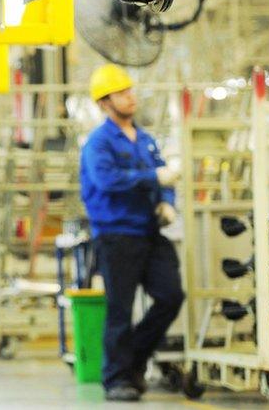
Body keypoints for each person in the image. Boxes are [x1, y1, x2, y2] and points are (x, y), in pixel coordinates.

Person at [79, 64, 185, 402]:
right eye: (122, 92)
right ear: (104, 102)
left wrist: (167, 202)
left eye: (130, 90)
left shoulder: (147, 140)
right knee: (120, 309)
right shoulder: (98, 144)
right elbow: (107, 181)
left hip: (150, 232)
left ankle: (134, 360)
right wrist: (156, 180)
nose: (130, 96)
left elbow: (164, 177)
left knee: (170, 296)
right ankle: (116, 379)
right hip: (117, 235)